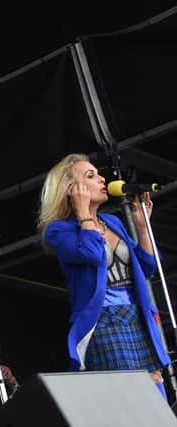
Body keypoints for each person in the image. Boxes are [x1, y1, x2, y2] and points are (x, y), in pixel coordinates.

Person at [38, 153, 169, 397]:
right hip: (104, 323)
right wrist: (82, 212)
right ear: (71, 189)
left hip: (137, 318)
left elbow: (147, 267)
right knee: (132, 396)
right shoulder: (59, 231)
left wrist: (142, 227)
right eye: (91, 175)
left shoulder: (112, 221)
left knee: (157, 396)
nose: (101, 179)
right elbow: (91, 253)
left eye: (98, 173)